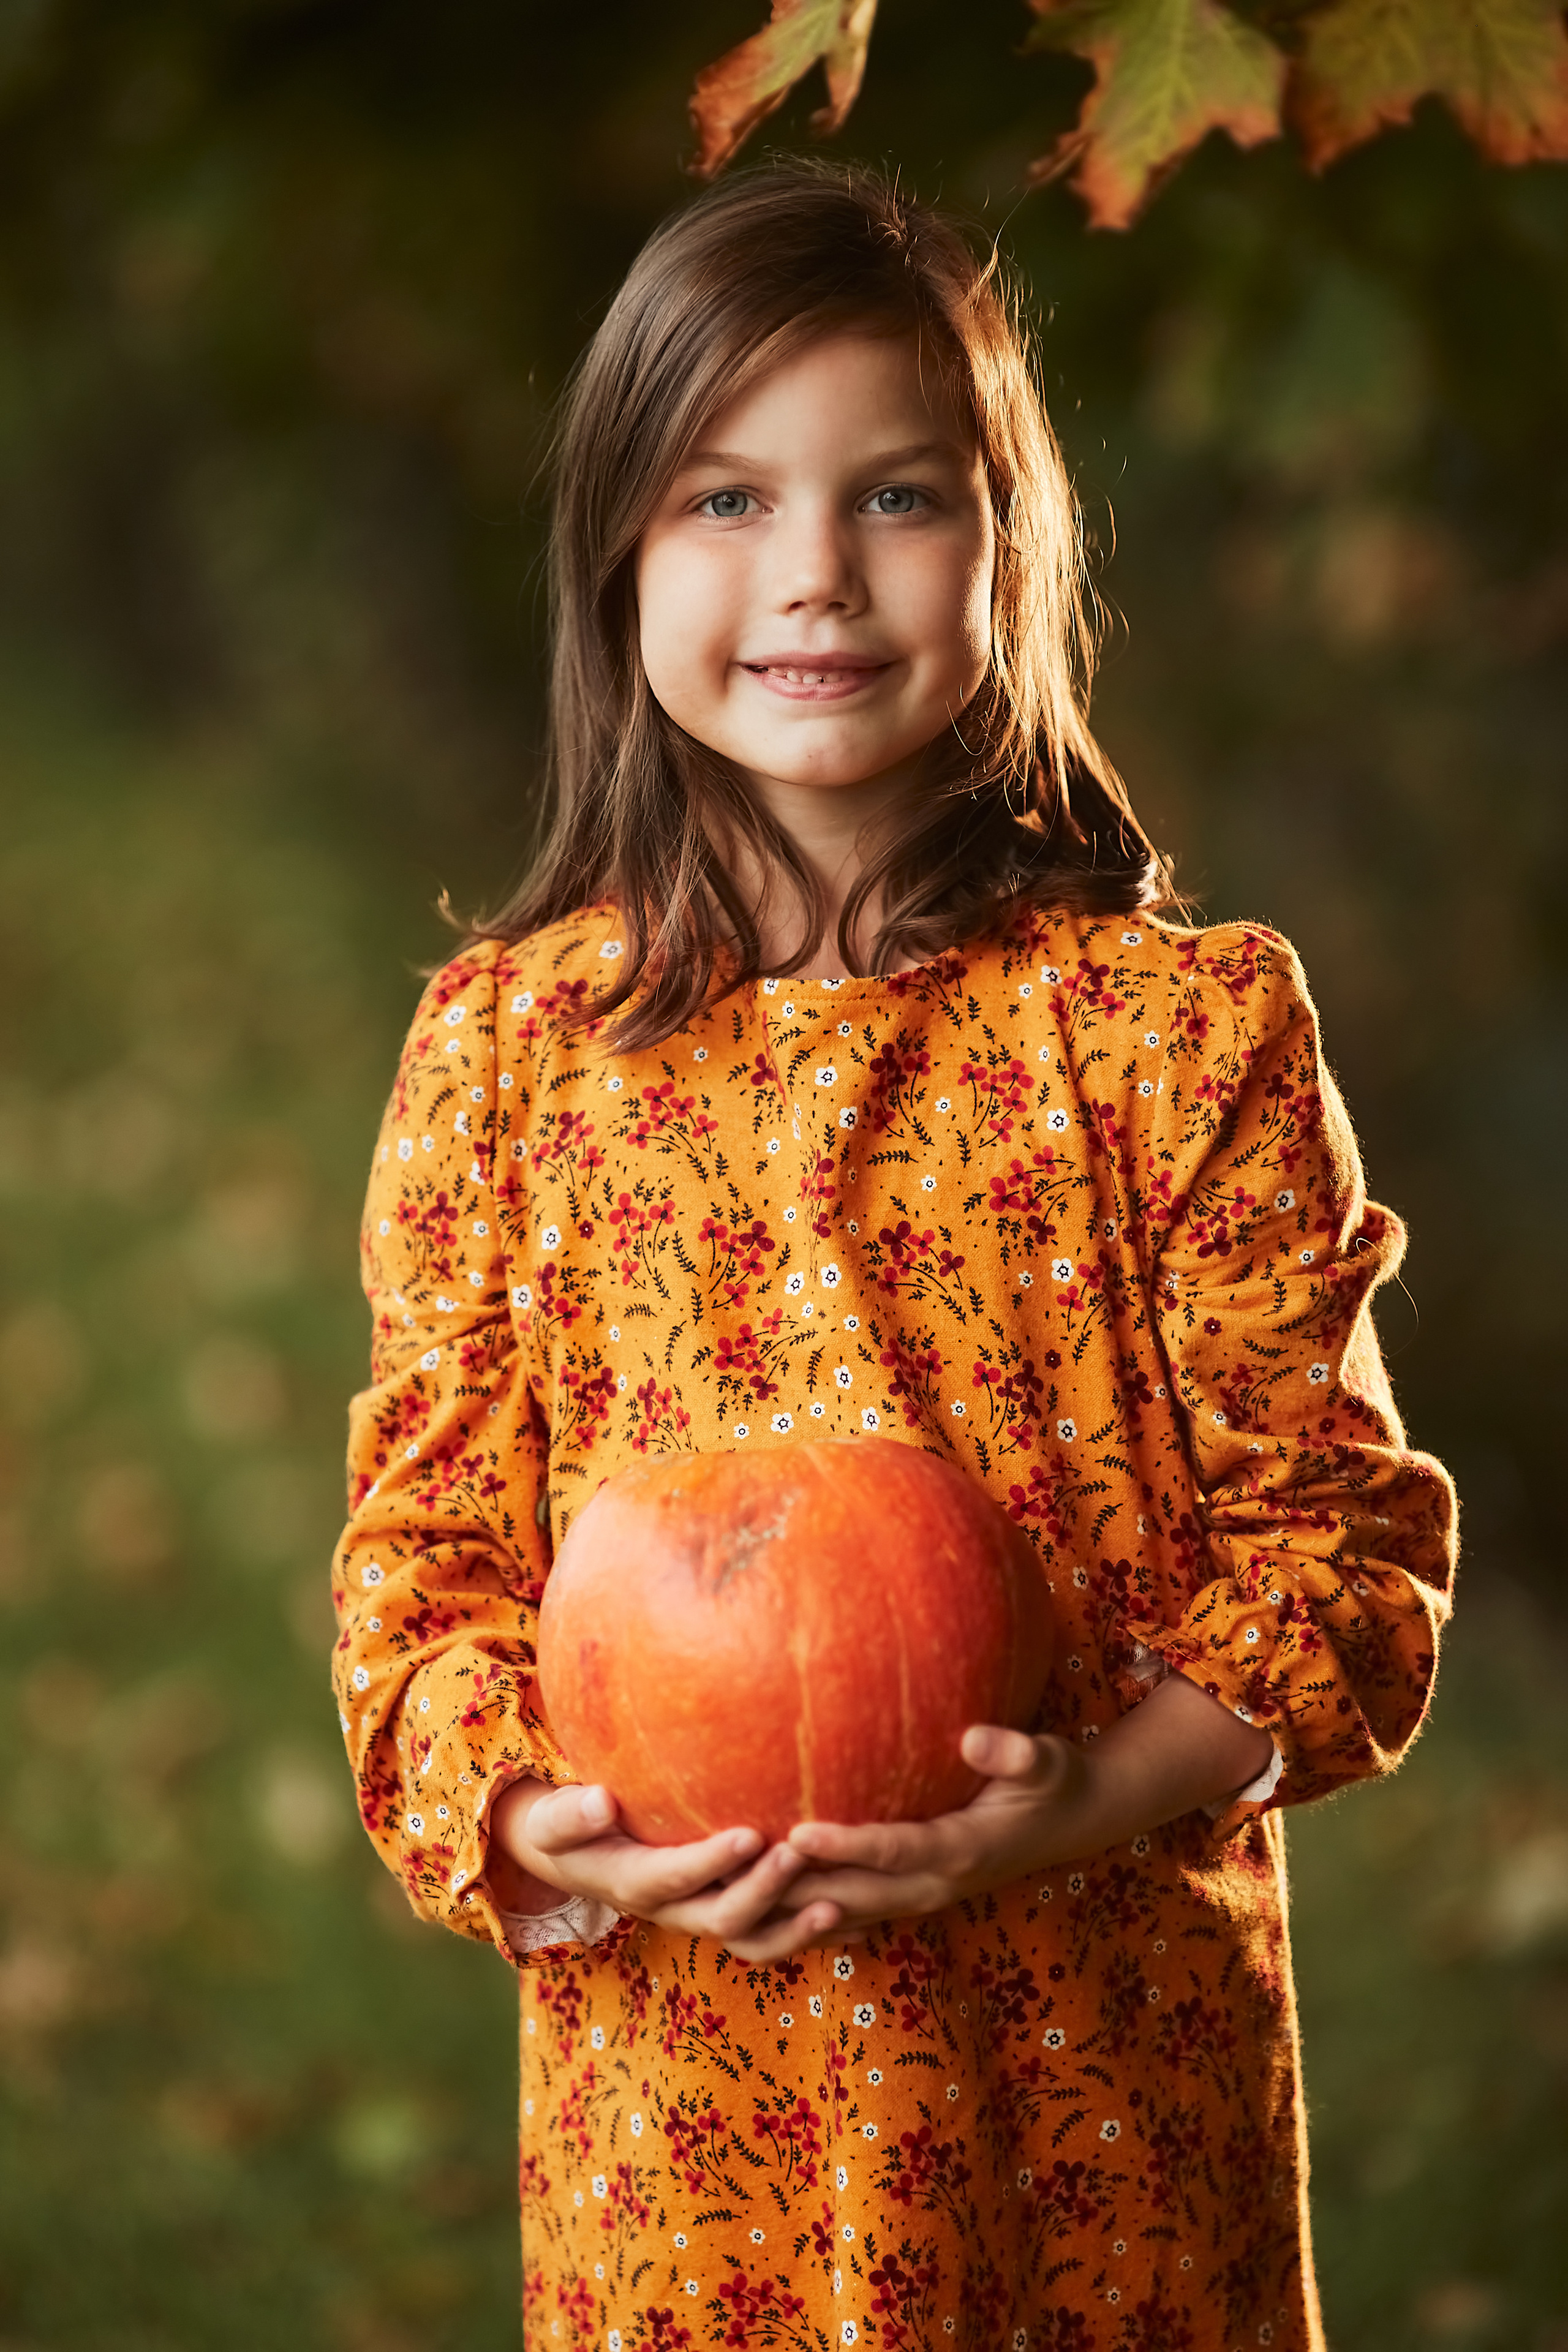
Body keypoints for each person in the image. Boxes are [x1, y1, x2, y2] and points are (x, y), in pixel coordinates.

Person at [331, 159, 1457, 2351]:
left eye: (899, 497)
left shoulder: (1174, 1035)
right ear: (617, 559)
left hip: (1102, 2078)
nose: (816, 574)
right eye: (726, 499)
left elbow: (1342, 1559)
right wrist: (552, 1827)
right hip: (690, 2125)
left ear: (1008, 547)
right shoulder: (510, 1059)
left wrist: (1087, 1799)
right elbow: (424, 1581)